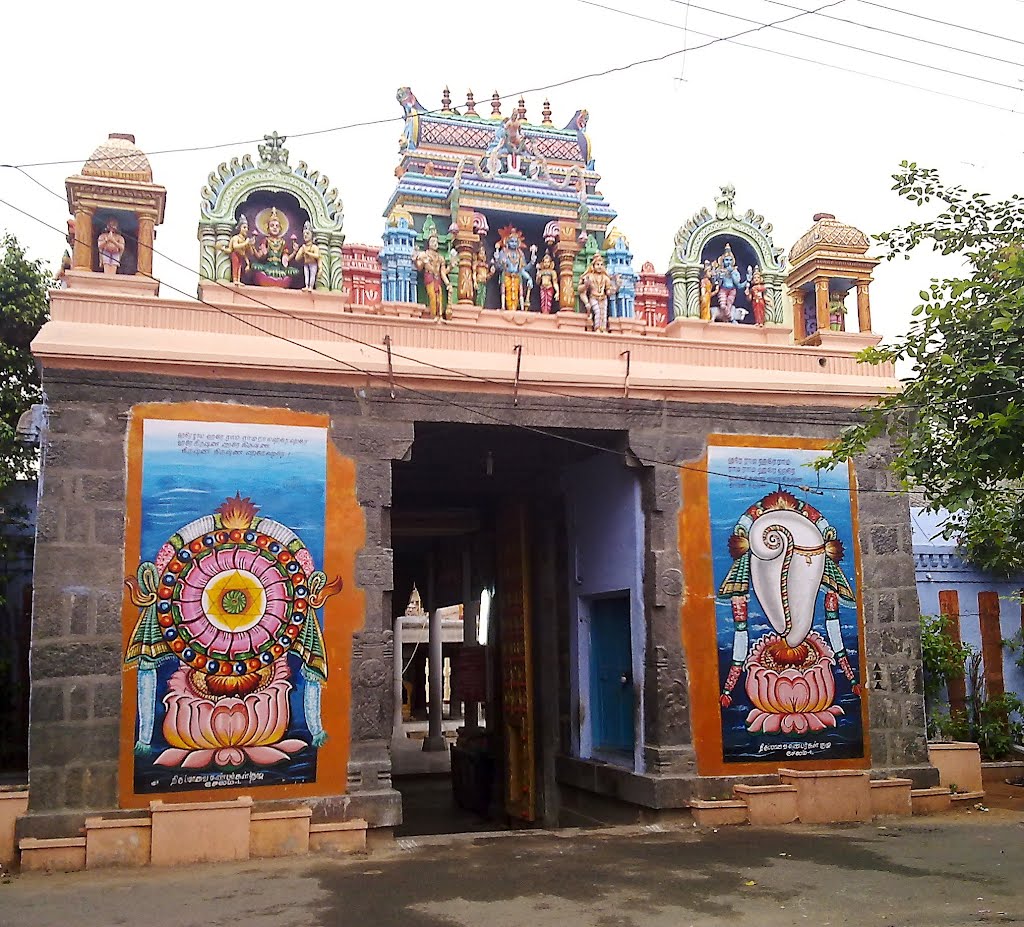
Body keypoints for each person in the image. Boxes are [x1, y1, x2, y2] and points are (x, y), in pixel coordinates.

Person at [414, 232, 451, 319]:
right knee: (432, 296)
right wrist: (415, 259)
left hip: (437, 279)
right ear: (428, 244)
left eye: (436, 242)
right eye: (432, 241)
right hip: (429, 277)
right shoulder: (424, 255)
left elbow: (443, 273)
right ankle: (433, 315)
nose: (435, 244)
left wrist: (448, 283)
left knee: (439, 297)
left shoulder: (440, 258)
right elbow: (419, 267)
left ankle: (439, 315)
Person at [578, 252, 618, 332]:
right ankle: (597, 328)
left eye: (601, 264)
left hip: (603, 298)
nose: (599, 266)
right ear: (593, 266)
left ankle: (603, 328)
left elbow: (608, 292)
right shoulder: (589, 277)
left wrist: (617, 286)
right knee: (598, 312)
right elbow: (580, 290)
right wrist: (586, 285)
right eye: (597, 264)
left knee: (604, 314)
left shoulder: (605, 278)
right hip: (593, 297)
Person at [217, 215, 256, 285]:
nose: (246, 229)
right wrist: (222, 249)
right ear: (239, 228)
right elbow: (234, 247)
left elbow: (250, 253)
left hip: (242, 257)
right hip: (235, 255)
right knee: (235, 267)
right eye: (244, 227)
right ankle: (235, 280)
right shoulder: (236, 238)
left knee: (239, 268)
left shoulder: (244, 239)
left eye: (247, 228)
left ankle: (238, 280)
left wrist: (251, 245)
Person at [293, 222, 322, 292]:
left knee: (312, 275)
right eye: (304, 234)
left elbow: (318, 256)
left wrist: (320, 268)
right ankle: (306, 286)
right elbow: (296, 258)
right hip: (306, 264)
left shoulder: (314, 247)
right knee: (306, 275)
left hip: (313, 264)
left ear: (312, 235)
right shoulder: (303, 247)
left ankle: (311, 287)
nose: (305, 235)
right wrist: (299, 252)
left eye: (307, 233)